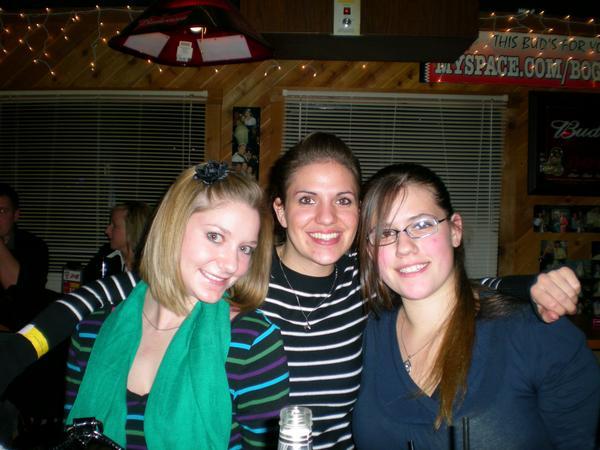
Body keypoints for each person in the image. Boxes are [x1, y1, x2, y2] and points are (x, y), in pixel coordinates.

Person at [0, 133, 581, 449]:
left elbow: (434, 276)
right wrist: (24, 348)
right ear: (279, 211)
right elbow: (119, 291)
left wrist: (527, 284)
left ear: (359, 214)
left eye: (344, 200)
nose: (326, 218)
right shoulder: (236, 275)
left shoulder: (366, 282)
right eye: (307, 199)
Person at [352, 163, 600, 449]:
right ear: (369, 249)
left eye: (421, 225)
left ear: (455, 230)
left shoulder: (537, 333)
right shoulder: (364, 334)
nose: (404, 247)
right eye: (384, 233)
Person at [64, 162, 289, 449]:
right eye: (215, 236)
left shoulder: (252, 342)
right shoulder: (90, 332)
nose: (232, 264)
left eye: (245, 249)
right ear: (172, 227)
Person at [0, 183, 50, 331]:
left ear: (16, 215)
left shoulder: (34, 247)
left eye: (2, 211)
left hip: (18, 331)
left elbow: (18, 290)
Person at [82, 201, 153, 284]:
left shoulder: (153, 264)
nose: (107, 231)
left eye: (114, 225)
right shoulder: (104, 256)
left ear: (132, 230)